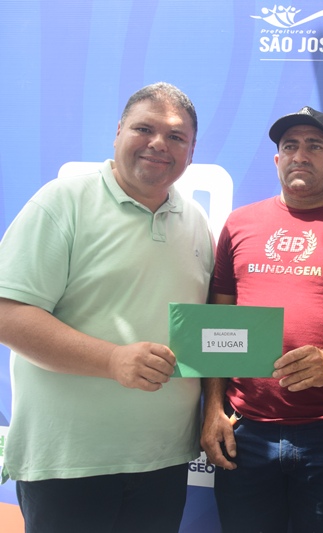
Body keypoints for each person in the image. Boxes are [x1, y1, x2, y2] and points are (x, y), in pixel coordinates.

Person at [0, 82, 214, 532]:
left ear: (192, 152)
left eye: (176, 136)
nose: (159, 144)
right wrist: (113, 359)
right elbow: (8, 314)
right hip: (71, 462)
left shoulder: (195, 221)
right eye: (144, 129)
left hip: (163, 459)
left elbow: (207, 331)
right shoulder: (62, 202)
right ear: (118, 132)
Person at [200, 106, 323, 533]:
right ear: (277, 160)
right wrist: (213, 409)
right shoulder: (239, 224)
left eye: (315, 146)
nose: (300, 155)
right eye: (290, 146)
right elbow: (217, 322)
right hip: (244, 428)